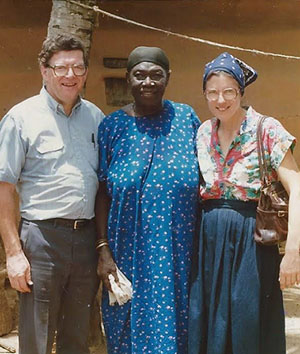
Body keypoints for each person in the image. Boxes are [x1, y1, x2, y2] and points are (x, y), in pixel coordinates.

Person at [188, 52, 300, 354]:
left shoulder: (266, 129)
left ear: (241, 91)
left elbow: (297, 186)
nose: (220, 100)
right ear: (204, 94)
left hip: (251, 241)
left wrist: (292, 252)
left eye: (228, 92)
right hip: (209, 241)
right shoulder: (202, 133)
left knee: (248, 323)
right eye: (212, 93)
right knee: (209, 323)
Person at [0, 34, 104, 354]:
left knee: (77, 338)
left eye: (78, 67)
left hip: (85, 241)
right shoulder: (21, 118)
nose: (70, 75)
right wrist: (14, 254)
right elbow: (3, 187)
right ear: (44, 71)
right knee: (38, 339)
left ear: (86, 72)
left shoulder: (96, 118)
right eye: (61, 68)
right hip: (41, 241)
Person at [95, 46, 201, 354]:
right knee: (127, 329)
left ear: (169, 78)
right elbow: (102, 190)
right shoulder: (113, 126)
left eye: (156, 75)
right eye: (139, 75)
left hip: (180, 251)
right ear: (128, 79)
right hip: (126, 251)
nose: (148, 82)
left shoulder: (185, 119)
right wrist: (103, 250)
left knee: (181, 326)